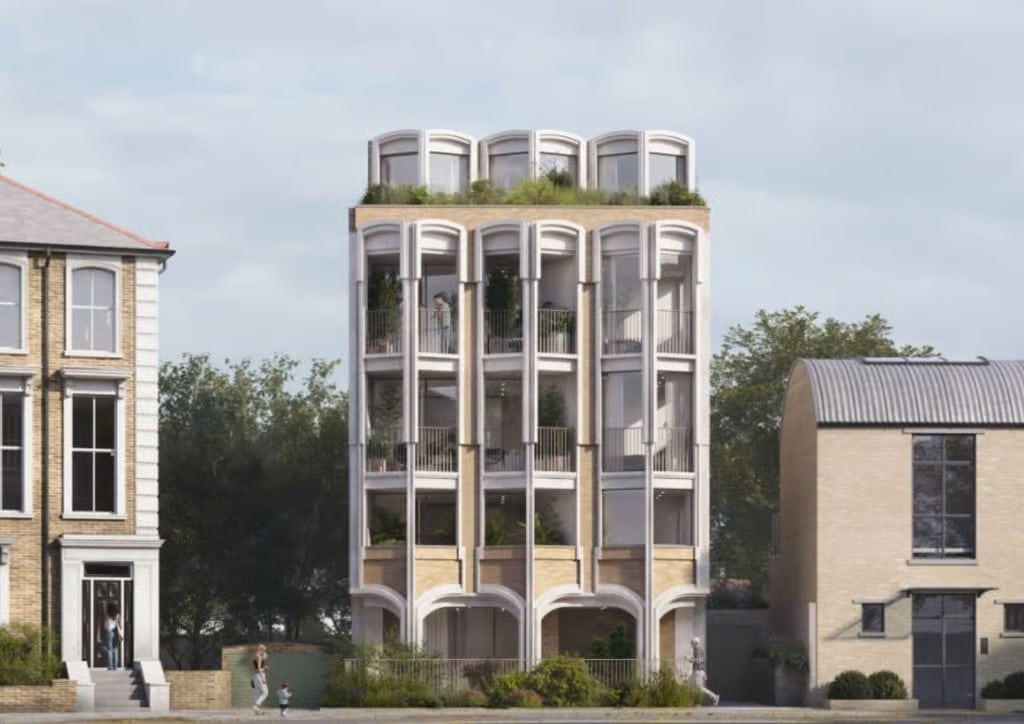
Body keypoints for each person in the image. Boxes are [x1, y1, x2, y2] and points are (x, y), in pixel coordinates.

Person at [687, 636, 719, 706]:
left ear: (696, 643)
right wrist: (704, 673)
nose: (691, 644)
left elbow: (698, 661)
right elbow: (702, 662)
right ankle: (694, 702)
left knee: (699, 688)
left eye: (692, 643)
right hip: (698, 671)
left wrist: (689, 660)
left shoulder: (697, 651)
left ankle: (714, 696)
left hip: (697, 671)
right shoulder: (698, 651)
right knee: (690, 686)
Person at [103, 604, 123, 671]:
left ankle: (110, 666)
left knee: (109, 649)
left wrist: (105, 628)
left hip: (109, 632)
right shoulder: (118, 615)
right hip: (116, 632)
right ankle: (115, 666)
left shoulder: (107, 614)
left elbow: (105, 625)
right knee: (115, 649)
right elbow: (120, 625)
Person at [252, 644, 269, 715]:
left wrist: (264, 668)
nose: (265, 652)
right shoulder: (259, 657)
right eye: (264, 650)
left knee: (257, 693)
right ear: (261, 650)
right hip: (260, 675)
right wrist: (263, 677)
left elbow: (255, 669)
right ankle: (256, 706)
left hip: (255, 676)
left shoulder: (255, 657)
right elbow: (259, 668)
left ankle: (257, 711)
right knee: (265, 692)